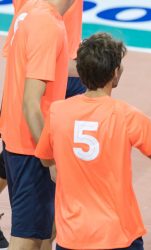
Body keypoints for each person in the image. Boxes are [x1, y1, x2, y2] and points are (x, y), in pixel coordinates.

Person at [34, 32, 151, 250]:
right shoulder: (126, 116)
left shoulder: (58, 111)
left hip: (72, 237)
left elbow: (45, 160)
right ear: (116, 72)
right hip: (118, 236)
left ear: (80, 71)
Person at [0, 0, 74, 249]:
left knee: (41, 238)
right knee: (27, 242)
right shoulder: (48, 24)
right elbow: (31, 103)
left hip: (18, 139)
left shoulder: (30, 10)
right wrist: (51, 158)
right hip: (32, 147)